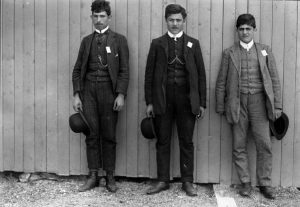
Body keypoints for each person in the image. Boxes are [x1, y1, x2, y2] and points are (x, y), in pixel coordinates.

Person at [215, 14, 282, 199]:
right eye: (241, 29)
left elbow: (275, 81)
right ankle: (245, 182)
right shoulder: (229, 53)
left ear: (254, 30)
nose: (245, 32)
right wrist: (221, 105)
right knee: (238, 144)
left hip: (260, 103)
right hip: (237, 104)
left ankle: (265, 183)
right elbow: (221, 81)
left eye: (248, 29)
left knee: (264, 144)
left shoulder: (265, 51)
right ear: (237, 31)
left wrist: (277, 106)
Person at [144, 4, 206, 196]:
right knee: (163, 140)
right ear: (166, 21)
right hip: (163, 99)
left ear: (184, 21)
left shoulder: (193, 44)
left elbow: (201, 75)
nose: (175, 24)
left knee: (186, 141)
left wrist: (201, 103)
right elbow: (149, 75)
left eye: (178, 20)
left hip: (187, 101)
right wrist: (149, 102)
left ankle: (187, 181)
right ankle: (163, 180)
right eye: (171, 20)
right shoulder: (157, 43)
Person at [72, 0, 129, 193]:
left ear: (109, 17)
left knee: (109, 135)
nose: (98, 20)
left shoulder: (119, 40)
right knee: (92, 134)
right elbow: (78, 70)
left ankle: (110, 177)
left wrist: (120, 94)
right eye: (95, 16)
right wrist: (77, 94)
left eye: (102, 16)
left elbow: (124, 70)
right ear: (91, 18)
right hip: (88, 92)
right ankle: (93, 175)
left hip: (109, 92)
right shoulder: (86, 41)